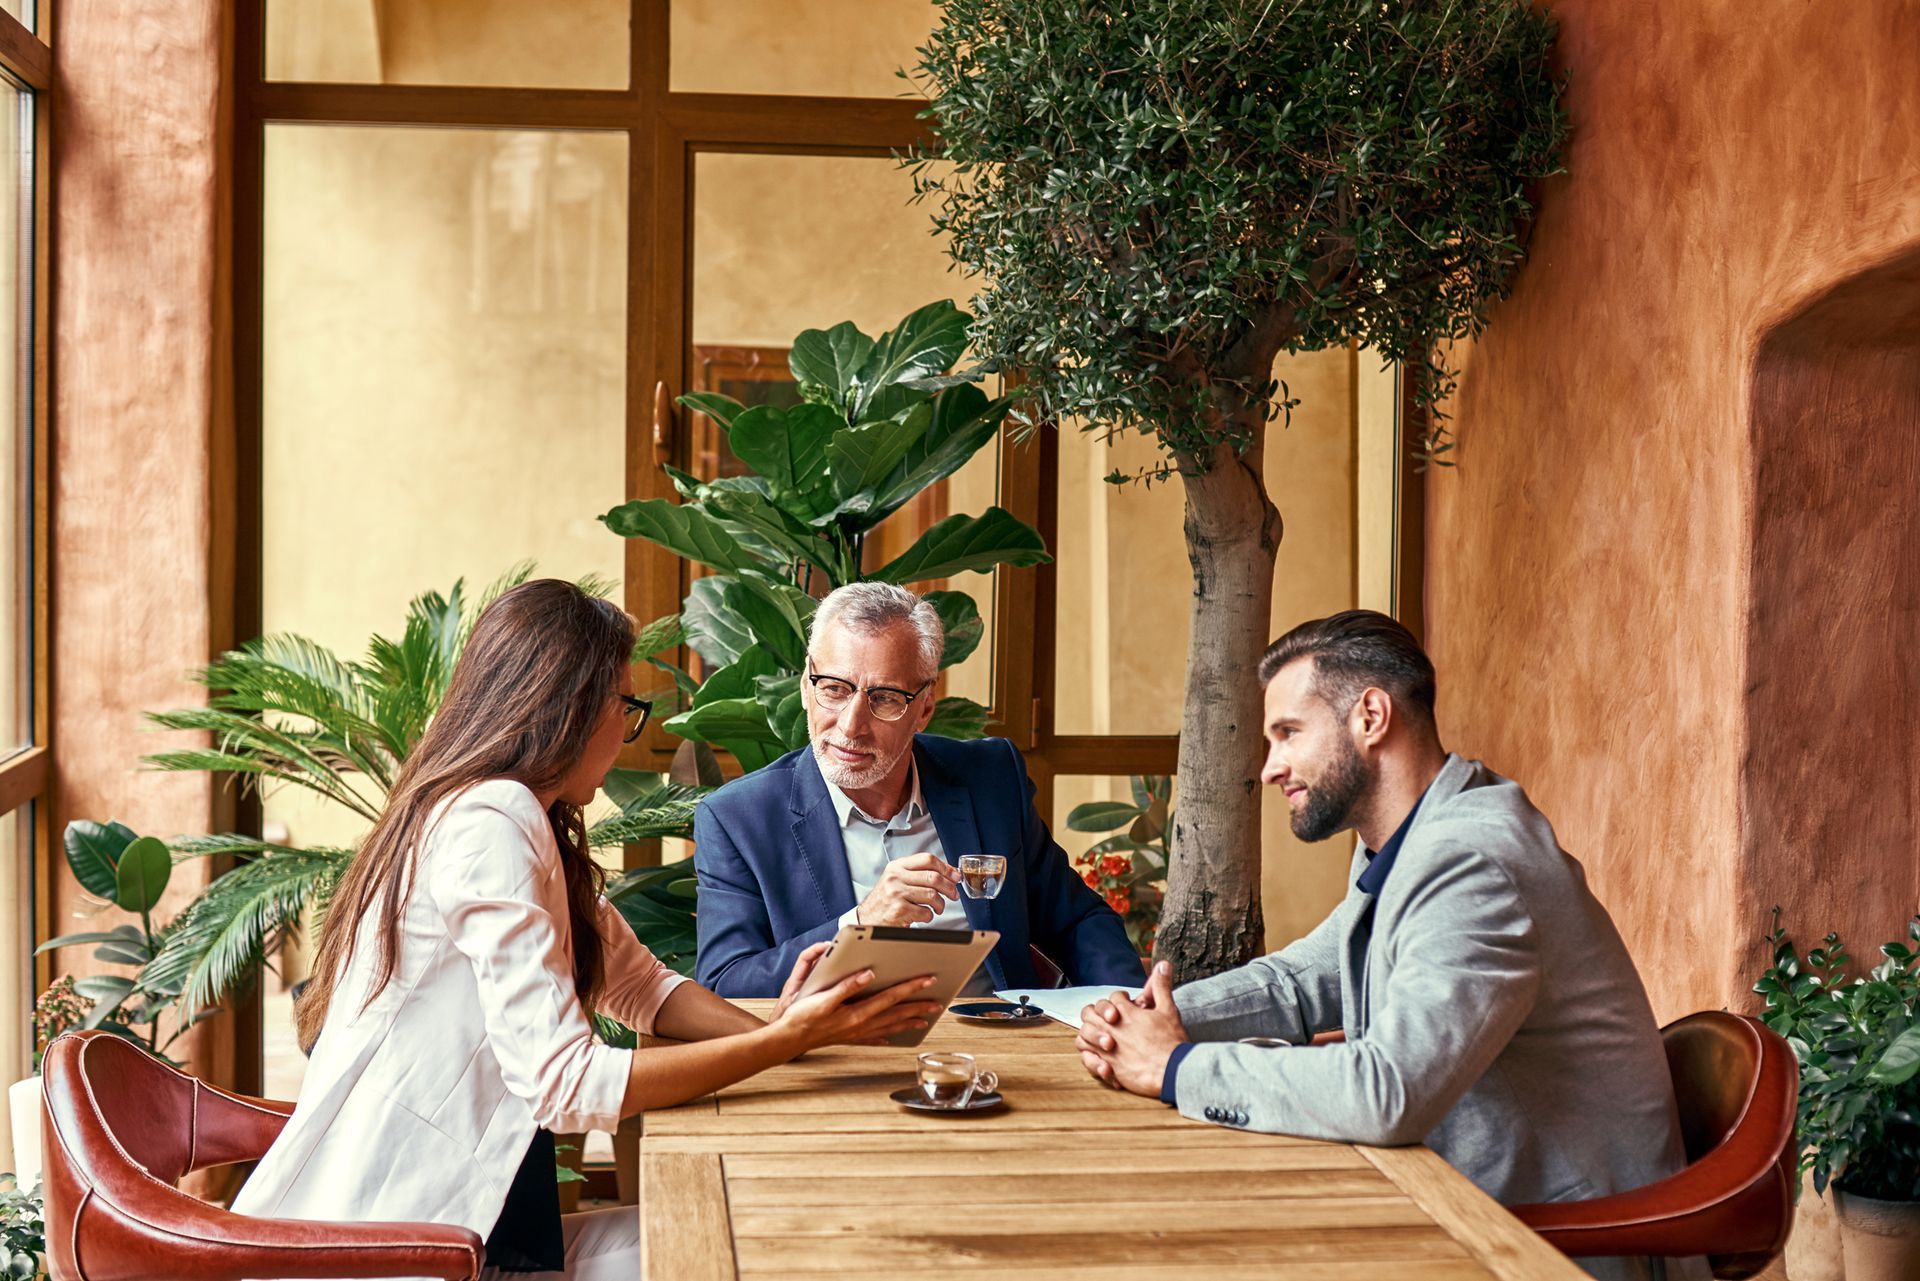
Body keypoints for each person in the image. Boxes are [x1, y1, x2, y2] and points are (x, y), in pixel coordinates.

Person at [232, 580, 940, 1281]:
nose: (629, 731)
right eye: (624, 706)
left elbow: (641, 986)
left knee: (760, 1230)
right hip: (402, 1250)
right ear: (570, 710)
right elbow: (565, 1083)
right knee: (763, 1246)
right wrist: (780, 1041)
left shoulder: (507, 815)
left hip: (462, 1231)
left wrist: (783, 1032)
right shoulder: (490, 823)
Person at [1075, 611, 1705, 1281]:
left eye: (1288, 733)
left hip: (1558, 1248)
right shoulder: (1408, 837)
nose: (1269, 768)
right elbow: (1303, 978)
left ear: (1371, 716)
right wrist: (1139, 1018)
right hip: (1459, 1203)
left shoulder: (1471, 859)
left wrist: (1177, 1067)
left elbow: (1388, 1089)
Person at [695, 582, 1143, 997]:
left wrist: (1124, 1006)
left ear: (924, 706)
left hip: (998, 1049)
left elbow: (1078, 919)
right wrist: (861, 923)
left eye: (885, 698)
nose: (851, 726)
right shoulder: (739, 818)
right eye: (833, 689)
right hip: (838, 1059)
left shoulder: (989, 778)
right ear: (806, 688)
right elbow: (725, 982)